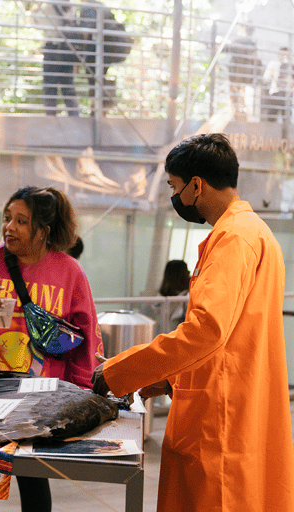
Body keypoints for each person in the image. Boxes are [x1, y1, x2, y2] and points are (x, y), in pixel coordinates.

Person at [92, 133, 294, 512]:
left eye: (174, 186)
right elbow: (232, 340)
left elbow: (207, 330)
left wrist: (121, 370)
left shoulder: (234, 239)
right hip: (235, 405)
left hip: (220, 422)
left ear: (196, 186)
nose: (175, 197)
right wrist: (168, 378)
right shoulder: (256, 234)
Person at [0, 186, 103, 512]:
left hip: (39, 397)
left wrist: (81, 395)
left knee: (33, 477)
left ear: (44, 230)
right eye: (7, 218)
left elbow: (85, 339)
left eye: (21, 221)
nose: (9, 227)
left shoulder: (69, 272)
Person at [36, 0, 80, 116]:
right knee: (68, 86)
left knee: (50, 87)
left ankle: (51, 118)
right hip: (67, 50)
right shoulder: (72, 7)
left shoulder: (46, 7)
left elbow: (35, 22)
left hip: (52, 49)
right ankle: (75, 117)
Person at [225, 25, 262, 122]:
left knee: (238, 96)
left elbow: (229, 48)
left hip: (240, 75)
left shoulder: (243, 41)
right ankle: (240, 116)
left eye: (239, 28)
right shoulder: (251, 43)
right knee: (239, 97)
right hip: (243, 76)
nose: (237, 30)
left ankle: (240, 117)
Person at [261, 46, 293, 123]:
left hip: (287, 94)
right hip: (276, 93)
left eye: (286, 55)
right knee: (272, 117)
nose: (284, 56)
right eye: (282, 54)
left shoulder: (291, 66)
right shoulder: (273, 64)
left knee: (286, 119)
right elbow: (265, 78)